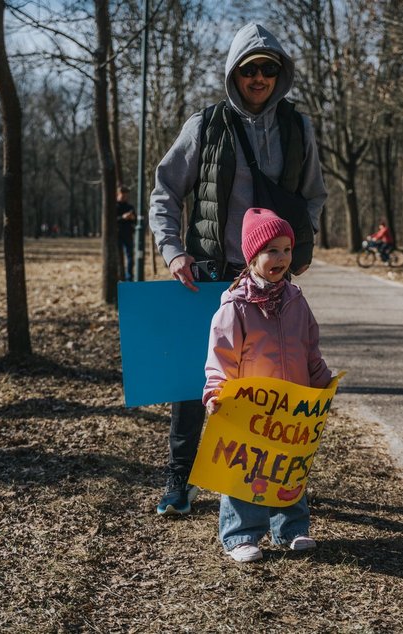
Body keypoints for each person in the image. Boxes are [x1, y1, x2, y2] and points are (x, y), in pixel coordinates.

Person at [148, 23, 327, 516]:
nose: (260, 77)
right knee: (195, 385)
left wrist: (297, 244)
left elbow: (313, 194)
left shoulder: (298, 127)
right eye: (251, 68)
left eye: (269, 69)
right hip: (207, 272)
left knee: (273, 385)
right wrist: (173, 251)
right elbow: (165, 191)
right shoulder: (204, 125)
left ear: (280, 74)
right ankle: (179, 482)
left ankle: (267, 485)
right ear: (234, 72)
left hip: (270, 279)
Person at [203, 208, 332, 562]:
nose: (281, 258)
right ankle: (241, 534)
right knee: (247, 470)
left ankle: (291, 528)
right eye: (271, 251)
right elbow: (221, 356)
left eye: (287, 250)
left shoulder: (296, 301)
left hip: (290, 408)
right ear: (252, 256)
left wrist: (322, 383)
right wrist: (216, 392)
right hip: (250, 409)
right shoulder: (236, 306)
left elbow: (310, 348)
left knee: (289, 467)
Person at [116, 186, 136, 281]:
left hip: (128, 235)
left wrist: (132, 218)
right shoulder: (114, 207)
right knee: (118, 258)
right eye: (122, 195)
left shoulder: (130, 207)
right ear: (118, 194)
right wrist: (122, 218)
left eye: (126, 196)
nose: (124, 197)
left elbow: (136, 221)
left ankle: (129, 278)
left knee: (130, 258)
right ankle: (119, 277)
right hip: (117, 235)